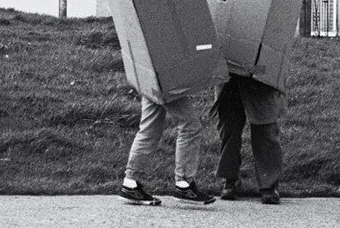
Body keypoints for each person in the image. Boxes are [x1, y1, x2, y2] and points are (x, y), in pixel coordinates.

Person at [119, 91, 215, 205]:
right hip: (167, 83)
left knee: (149, 130)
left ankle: (130, 183)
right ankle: (184, 184)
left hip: (150, 80)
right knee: (190, 128)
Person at [214, 72, 284, 204]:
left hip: (261, 74)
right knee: (229, 130)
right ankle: (230, 181)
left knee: (265, 128)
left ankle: (268, 185)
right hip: (229, 74)